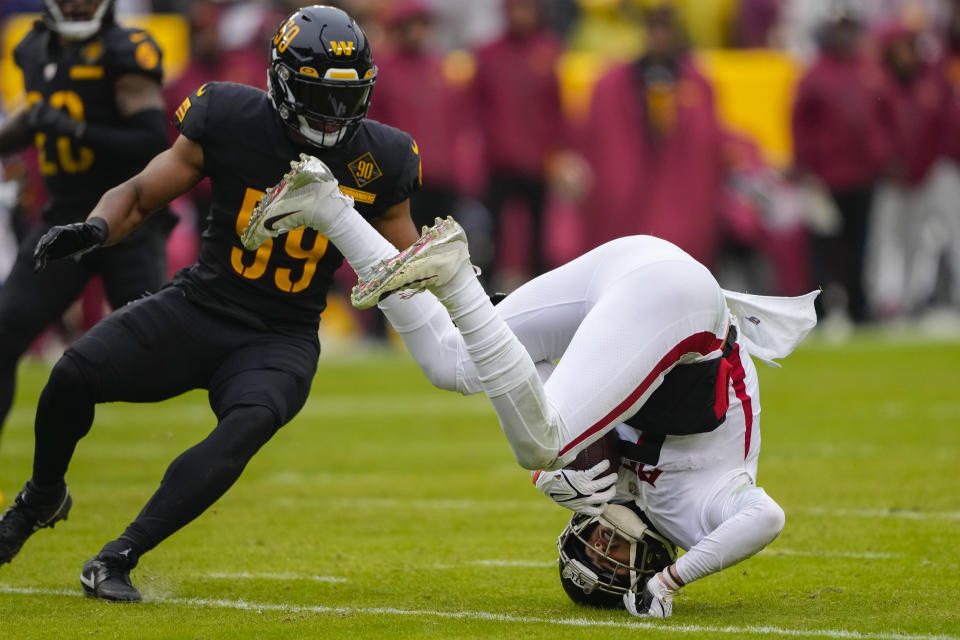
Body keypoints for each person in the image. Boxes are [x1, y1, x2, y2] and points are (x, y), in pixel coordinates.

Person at [241, 154, 819, 617]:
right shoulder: (698, 512)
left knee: (450, 361)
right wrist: (670, 581)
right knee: (544, 444)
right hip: (681, 306)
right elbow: (765, 518)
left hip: (636, 265)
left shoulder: (621, 484)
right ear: (642, 563)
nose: (605, 542)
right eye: (616, 557)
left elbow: (524, 380)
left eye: (597, 549)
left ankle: (327, 205)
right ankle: (456, 278)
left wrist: (562, 461)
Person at [0, 5, 422, 602]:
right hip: (202, 304)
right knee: (71, 374)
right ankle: (43, 495)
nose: (331, 114)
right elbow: (144, 192)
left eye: (344, 97)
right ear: (280, 82)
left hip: (281, 336)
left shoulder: (383, 157)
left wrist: (480, 307)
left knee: (245, 425)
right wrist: (96, 228)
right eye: (316, 94)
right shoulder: (230, 115)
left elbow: (412, 263)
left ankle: (119, 554)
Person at [0, 0, 172, 441]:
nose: (79, 4)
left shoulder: (125, 48)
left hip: (126, 220)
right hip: (62, 217)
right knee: (3, 334)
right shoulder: (33, 47)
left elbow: (150, 141)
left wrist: (75, 130)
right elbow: (40, 118)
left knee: (161, 355)